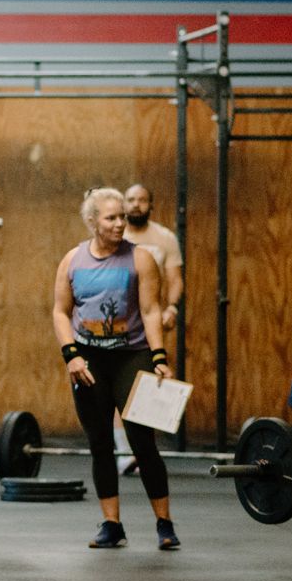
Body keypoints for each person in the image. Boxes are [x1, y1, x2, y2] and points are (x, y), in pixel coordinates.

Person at [51, 187, 177, 551]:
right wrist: (71, 356)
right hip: (89, 359)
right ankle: (112, 525)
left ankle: (164, 524)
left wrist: (159, 358)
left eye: (122, 216)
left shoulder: (141, 260)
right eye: (111, 217)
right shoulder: (72, 260)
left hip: (131, 356)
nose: (120, 223)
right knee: (101, 444)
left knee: (142, 442)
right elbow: (60, 311)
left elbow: (151, 311)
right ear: (92, 222)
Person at [122, 183, 183, 336]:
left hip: (152, 317)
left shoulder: (165, 237)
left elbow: (175, 279)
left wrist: (172, 309)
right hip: (116, 316)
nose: (136, 204)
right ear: (123, 205)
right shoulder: (114, 236)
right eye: (131, 200)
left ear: (151, 205)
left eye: (142, 200)